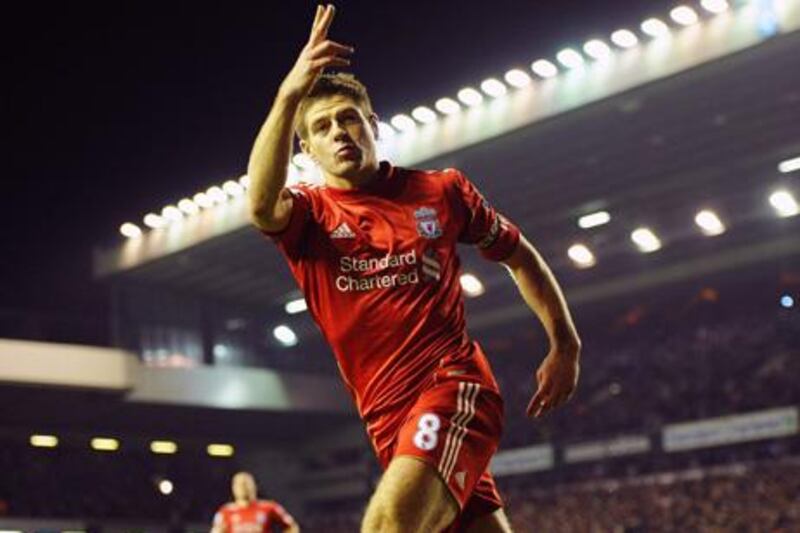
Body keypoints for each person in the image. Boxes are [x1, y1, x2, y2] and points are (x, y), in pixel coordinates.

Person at [247, 5, 581, 532]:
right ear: (305, 150)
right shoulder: (308, 216)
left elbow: (519, 254)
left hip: (453, 386)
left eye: (349, 118)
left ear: (373, 125)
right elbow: (261, 206)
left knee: (387, 526)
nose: (340, 132)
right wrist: (288, 94)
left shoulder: (441, 191)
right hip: (387, 421)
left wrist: (565, 342)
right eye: (323, 126)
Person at [210, 471, 299, 533]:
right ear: (233, 488)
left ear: (254, 486)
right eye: (239, 484)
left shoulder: (269, 507)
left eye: (246, 484)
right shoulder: (225, 511)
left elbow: (292, 527)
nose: (243, 487)